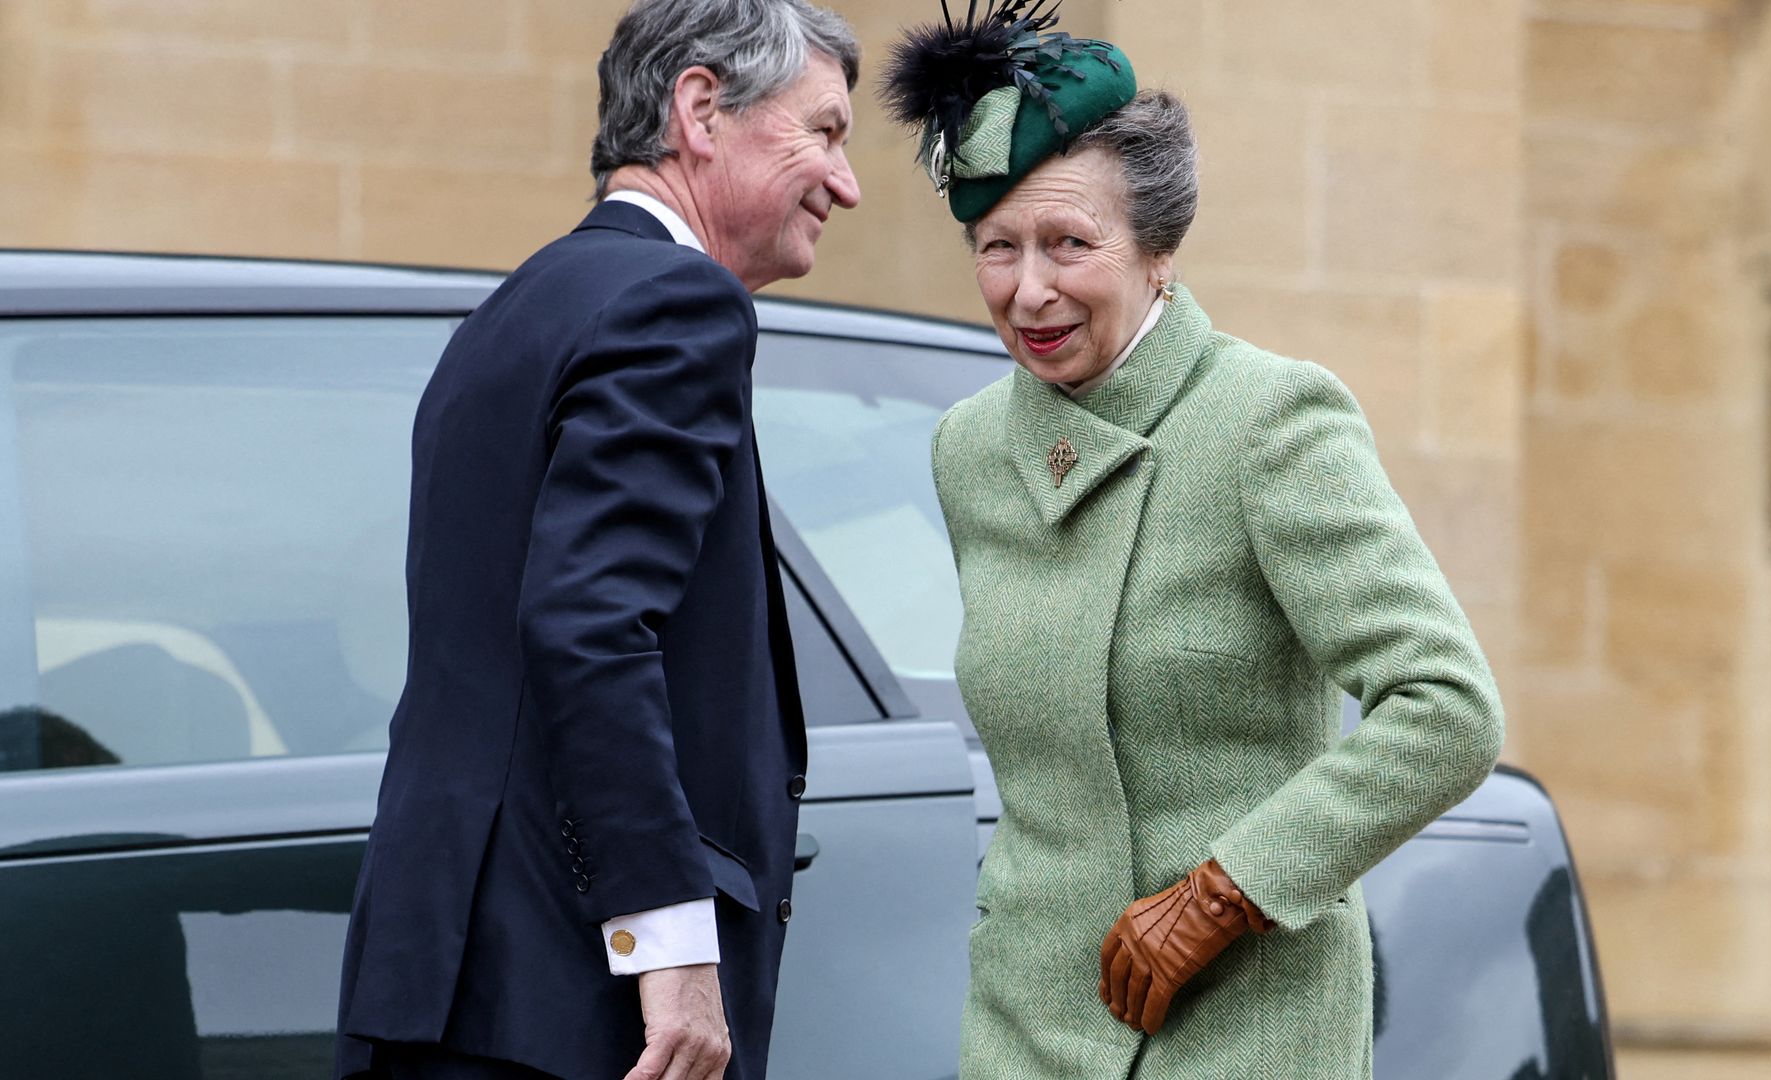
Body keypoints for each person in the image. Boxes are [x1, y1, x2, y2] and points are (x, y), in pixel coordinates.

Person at [881, 4, 1505, 1077]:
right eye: (998, 248)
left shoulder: (1269, 421)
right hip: (1024, 1032)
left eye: (1069, 244)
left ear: (1159, 250)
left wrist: (1227, 893)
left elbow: (1447, 710)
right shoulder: (970, 450)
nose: (1029, 291)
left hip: (1242, 1028)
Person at [334, 2, 860, 1078]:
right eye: (826, 132)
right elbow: (588, 620)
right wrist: (666, 941)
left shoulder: (518, 306)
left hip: (443, 983)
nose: (846, 185)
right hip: (575, 1005)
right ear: (702, 109)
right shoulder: (677, 302)